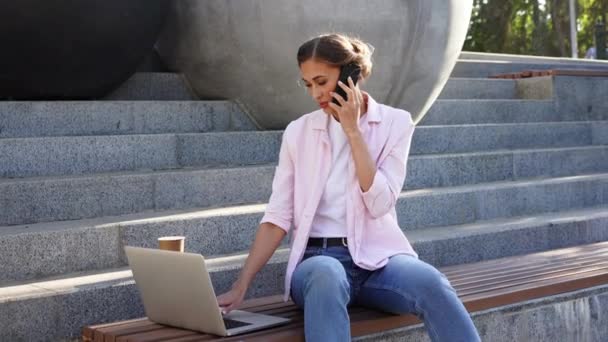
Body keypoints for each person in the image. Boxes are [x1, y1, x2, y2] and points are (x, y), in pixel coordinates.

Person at [217, 33, 481, 342]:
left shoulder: (396, 124)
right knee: (327, 275)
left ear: (349, 76)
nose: (315, 93)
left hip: (379, 262)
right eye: (308, 84)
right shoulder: (298, 133)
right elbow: (277, 216)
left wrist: (353, 131)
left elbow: (380, 203)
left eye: (321, 81)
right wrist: (241, 285)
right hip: (319, 262)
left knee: (431, 282)